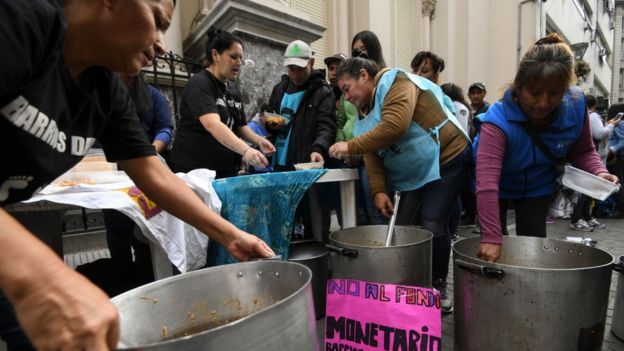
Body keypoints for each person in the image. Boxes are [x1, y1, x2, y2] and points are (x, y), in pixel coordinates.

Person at [0, 1, 274, 350]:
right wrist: (41, 279)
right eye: (157, 21)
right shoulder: (20, 22)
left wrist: (231, 237)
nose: (161, 43)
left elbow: (154, 175)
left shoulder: (105, 90)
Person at [329, 58, 471, 314]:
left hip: (449, 157)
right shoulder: (365, 110)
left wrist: (349, 146)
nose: (347, 97)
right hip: (418, 168)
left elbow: (395, 125)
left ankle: (439, 285)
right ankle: (409, 286)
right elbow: (372, 150)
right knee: (402, 226)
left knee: (433, 221)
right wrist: (379, 191)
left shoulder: (396, 81)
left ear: (363, 75)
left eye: (347, 88)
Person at [473, 33, 618, 263]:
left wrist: (599, 172)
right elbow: (487, 183)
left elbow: (583, 151)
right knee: (494, 246)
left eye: (554, 94)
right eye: (535, 93)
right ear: (519, 87)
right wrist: (491, 237)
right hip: (497, 186)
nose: (543, 103)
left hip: (538, 185)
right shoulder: (496, 123)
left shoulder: (577, 106)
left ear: (565, 90)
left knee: (533, 249)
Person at [169, 27, 275, 178]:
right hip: (195, 171)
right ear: (215, 55)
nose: (239, 63)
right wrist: (246, 150)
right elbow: (213, 124)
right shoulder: (200, 84)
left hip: (224, 169)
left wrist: (259, 141)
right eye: (233, 57)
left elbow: (240, 126)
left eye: (241, 58)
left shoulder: (233, 88)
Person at [102, 73, 174, 292]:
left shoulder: (153, 96)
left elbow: (165, 128)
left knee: (145, 228)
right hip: (111, 174)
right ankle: (123, 279)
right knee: (117, 227)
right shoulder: (102, 95)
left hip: (145, 170)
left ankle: (147, 277)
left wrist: (149, 153)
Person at [266, 40, 336, 169]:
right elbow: (271, 126)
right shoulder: (279, 89)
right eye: (291, 68)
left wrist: (318, 149)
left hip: (305, 164)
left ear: (312, 62)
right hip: (278, 162)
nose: (295, 74)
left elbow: (327, 127)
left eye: (301, 69)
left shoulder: (323, 92)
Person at [569, 94, 616, 231]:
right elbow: (599, 134)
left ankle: (585, 217)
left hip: (590, 161)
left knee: (588, 191)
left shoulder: (582, 116)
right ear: (594, 104)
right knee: (584, 191)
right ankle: (578, 218)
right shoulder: (592, 116)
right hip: (591, 161)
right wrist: (611, 126)